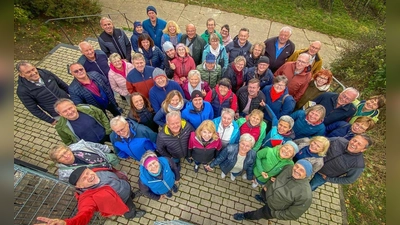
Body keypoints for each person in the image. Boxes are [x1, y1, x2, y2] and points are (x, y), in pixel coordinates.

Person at [35, 167, 146, 224]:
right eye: (84, 178)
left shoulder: (96, 171)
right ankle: (132, 214)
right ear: (79, 186)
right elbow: (84, 213)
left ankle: (132, 195)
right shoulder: (88, 198)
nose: (89, 176)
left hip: (125, 188)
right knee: (129, 209)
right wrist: (67, 223)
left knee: (130, 195)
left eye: (87, 172)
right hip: (122, 202)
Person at [233, 160, 313, 221]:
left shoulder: (305, 195)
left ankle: (246, 216)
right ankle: (263, 199)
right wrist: (267, 185)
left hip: (273, 209)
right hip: (268, 192)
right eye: (296, 166)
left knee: (257, 214)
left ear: (307, 174)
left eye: (302, 170)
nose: (296, 170)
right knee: (263, 196)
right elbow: (275, 176)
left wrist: (275, 213)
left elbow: (293, 214)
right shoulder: (288, 168)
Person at [16, 60, 69, 125]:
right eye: (28, 72)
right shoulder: (23, 91)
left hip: (71, 104)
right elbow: (33, 109)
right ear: (22, 75)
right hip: (58, 114)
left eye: (33, 69)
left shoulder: (46, 73)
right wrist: (51, 120)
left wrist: (76, 98)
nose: (33, 73)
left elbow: (62, 85)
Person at [48, 140, 116, 182]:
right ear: (58, 161)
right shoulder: (64, 175)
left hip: (108, 166)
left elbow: (96, 145)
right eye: (61, 156)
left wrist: (108, 150)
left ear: (69, 149)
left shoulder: (80, 145)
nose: (66, 156)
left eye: (65, 152)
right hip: (102, 180)